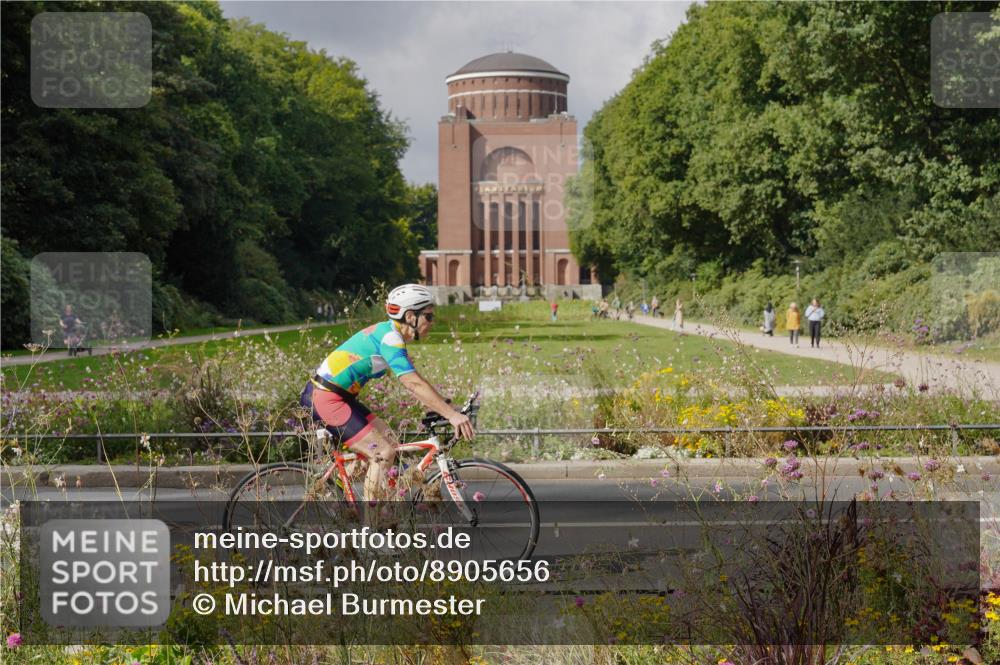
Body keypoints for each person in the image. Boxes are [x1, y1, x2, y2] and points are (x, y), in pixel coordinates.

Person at [299, 284, 474, 502]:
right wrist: (451, 415)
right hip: (324, 397)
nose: (432, 322)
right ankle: (371, 529)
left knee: (390, 441)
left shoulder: (390, 335)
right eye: (428, 316)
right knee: (383, 453)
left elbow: (416, 380)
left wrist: (446, 407)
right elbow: (412, 383)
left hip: (340, 397)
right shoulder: (390, 338)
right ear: (410, 316)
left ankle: (334, 486)